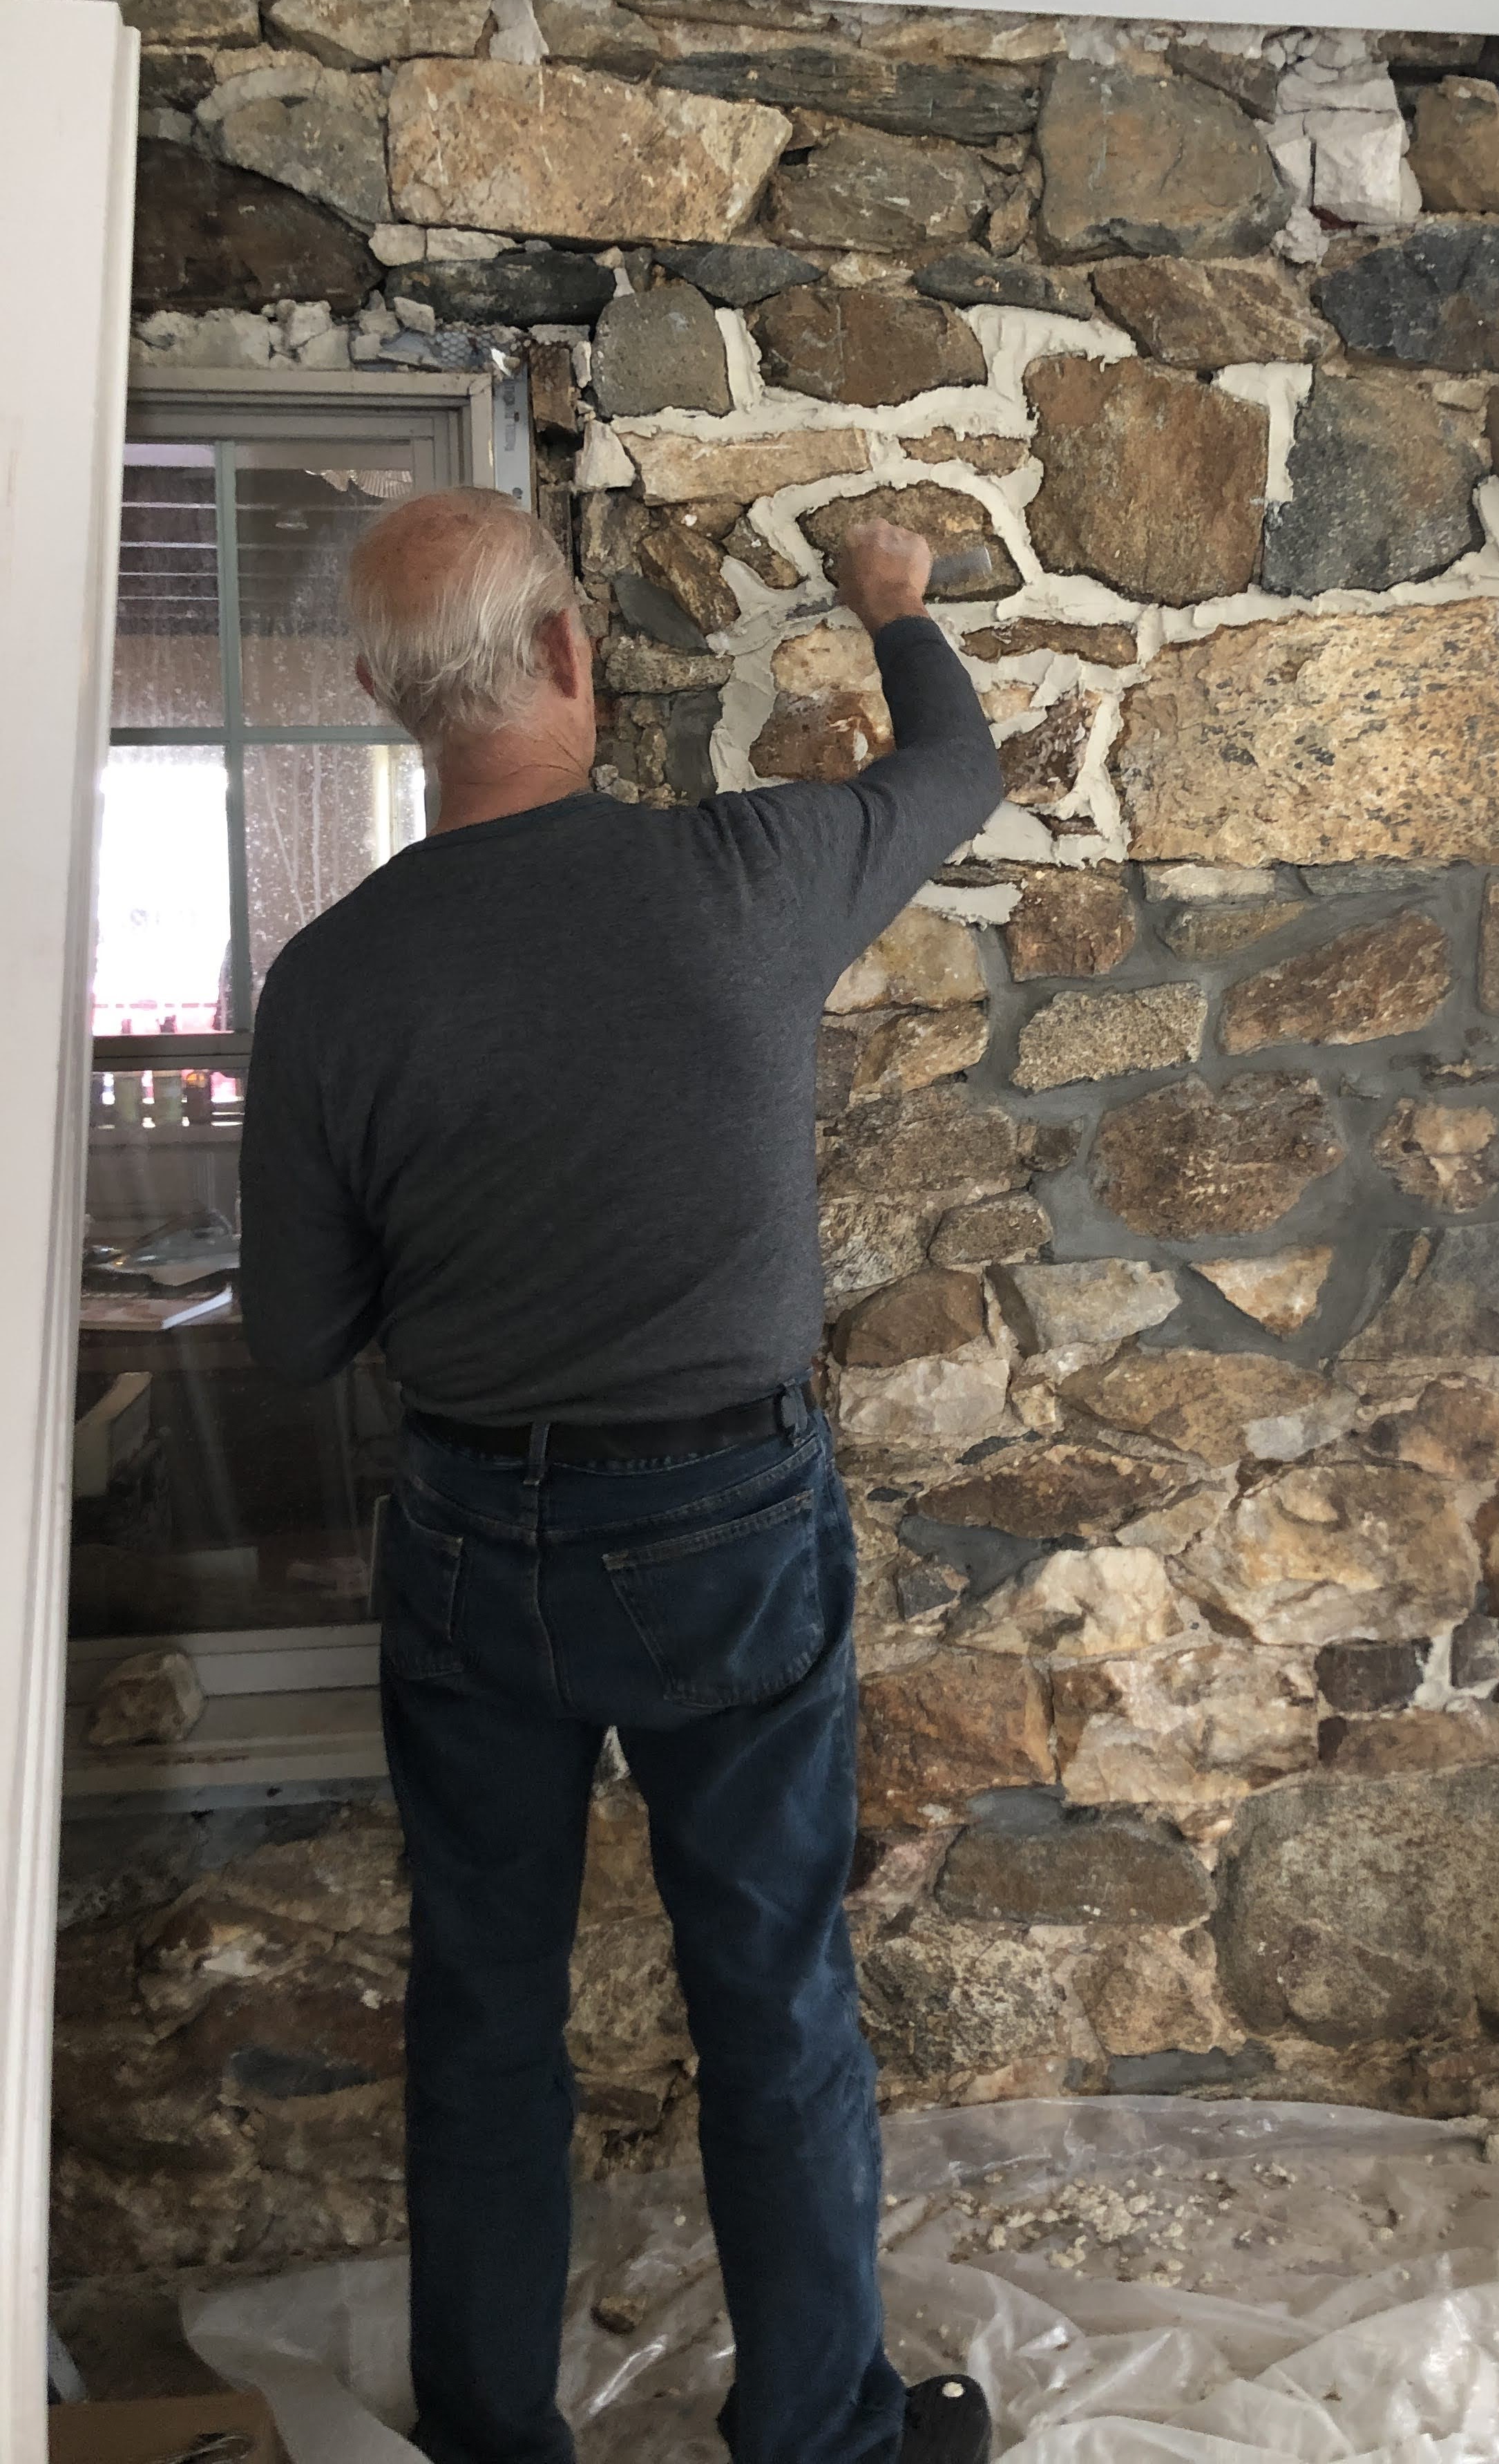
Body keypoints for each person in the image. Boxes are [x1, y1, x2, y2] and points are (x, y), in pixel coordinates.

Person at [239, 489, 1004, 2464]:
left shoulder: (328, 983)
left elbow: (298, 1341)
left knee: (486, 2016)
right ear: (571, 656)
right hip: (723, 1532)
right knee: (771, 1996)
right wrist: (892, 604)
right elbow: (955, 770)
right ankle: (818, 2440)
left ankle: (493, 2440)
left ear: (385, 698)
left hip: (469, 1542)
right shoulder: (749, 873)